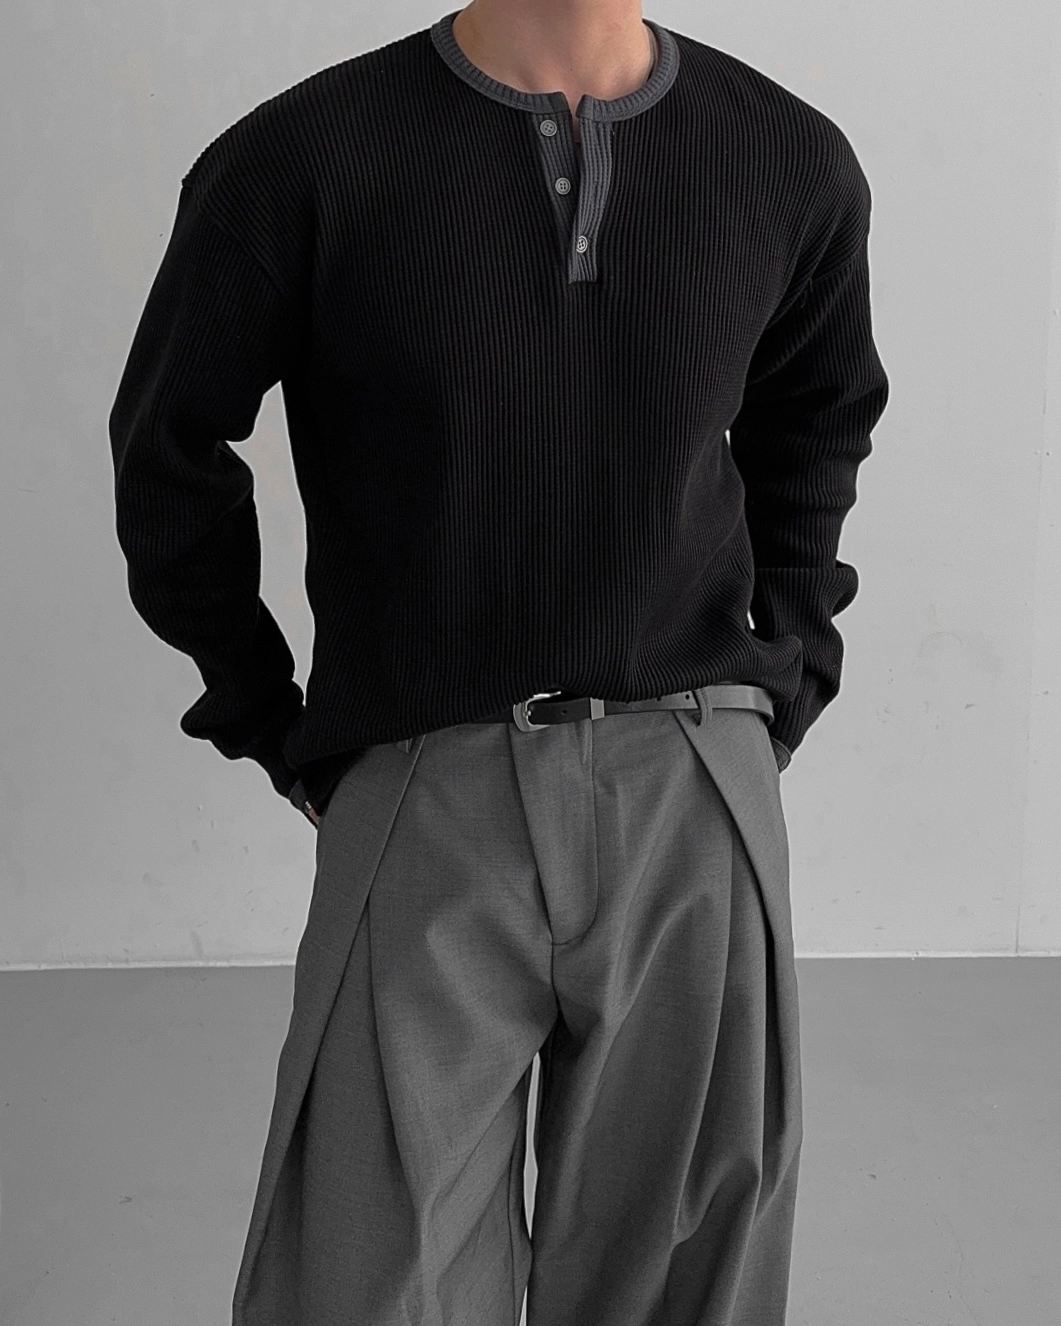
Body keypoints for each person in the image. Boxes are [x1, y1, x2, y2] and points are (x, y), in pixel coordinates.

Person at [108, 2, 889, 1322]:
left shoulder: (787, 158)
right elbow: (169, 447)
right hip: (424, 779)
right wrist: (269, 712)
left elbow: (818, 419)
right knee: (368, 1280)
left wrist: (782, 680)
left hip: (692, 782)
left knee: (685, 1283)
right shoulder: (302, 157)